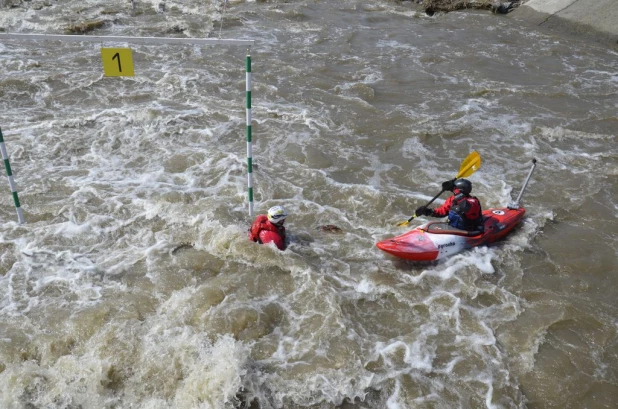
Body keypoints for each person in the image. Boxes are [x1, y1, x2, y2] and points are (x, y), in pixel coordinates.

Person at [415, 178, 483, 231]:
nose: (453, 192)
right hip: (454, 229)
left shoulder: (473, 201)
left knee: (458, 209)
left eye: (455, 190)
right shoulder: (452, 199)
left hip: (469, 230)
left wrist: (455, 190)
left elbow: (465, 207)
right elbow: (442, 212)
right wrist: (427, 211)